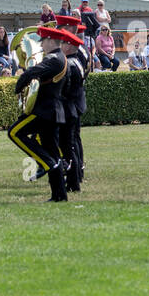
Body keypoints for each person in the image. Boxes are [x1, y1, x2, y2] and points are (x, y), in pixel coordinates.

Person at [8, 26, 72, 202]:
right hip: (52, 111)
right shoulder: (61, 58)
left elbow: (32, 72)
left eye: (43, 41)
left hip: (45, 111)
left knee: (14, 132)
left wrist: (18, 87)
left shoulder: (53, 59)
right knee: (52, 151)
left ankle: (45, 163)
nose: (41, 45)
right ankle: (59, 195)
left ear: (51, 40)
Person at [56, 17, 89, 193]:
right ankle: (76, 173)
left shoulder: (74, 58)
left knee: (71, 142)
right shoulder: (80, 53)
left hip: (71, 103)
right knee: (73, 140)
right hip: (75, 101)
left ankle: (75, 176)